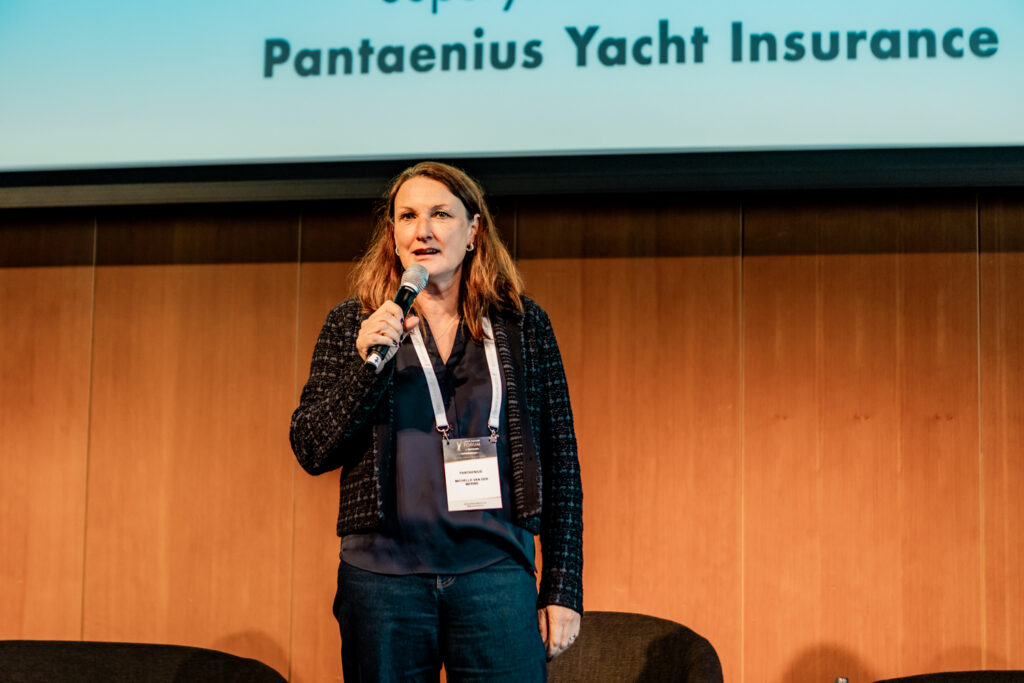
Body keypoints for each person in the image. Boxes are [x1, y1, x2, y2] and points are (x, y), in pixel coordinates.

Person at [289, 161, 583, 682]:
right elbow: (312, 448)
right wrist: (364, 365)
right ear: (393, 236)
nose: (422, 230)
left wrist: (563, 586)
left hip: (495, 574)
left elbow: (561, 462)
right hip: (382, 582)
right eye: (408, 216)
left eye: (441, 214)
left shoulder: (522, 324)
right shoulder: (353, 322)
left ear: (473, 231)